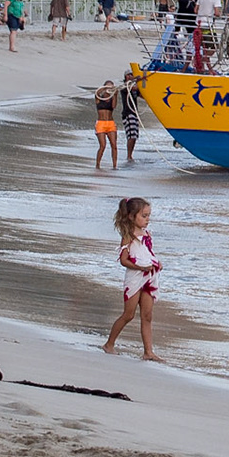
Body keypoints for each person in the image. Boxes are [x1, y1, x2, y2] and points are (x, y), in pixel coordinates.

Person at [103, 197, 162, 360]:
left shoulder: (147, 234)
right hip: (134, 279)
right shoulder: (128, 236)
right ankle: (109, 344)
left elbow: (147, 253)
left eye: (148, 216)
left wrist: (156, 262)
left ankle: (148, 352)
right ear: (131, 216)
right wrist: (140, 268)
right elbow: (124, 260)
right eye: (144, 216)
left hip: (149, 278)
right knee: (128, 314)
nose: (147, 219)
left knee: (147, 315)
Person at [93, 79, 120, 169]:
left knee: (114, 145)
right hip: (101, 123)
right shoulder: (99, 98)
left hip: (110, 123)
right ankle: (97, 164)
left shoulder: (111, 99)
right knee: (103, 145)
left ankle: (114, 165)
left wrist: (115, 94)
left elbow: (114, 106)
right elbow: (97, 93)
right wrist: (105, 88)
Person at [119, 71, 143, 162]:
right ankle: (129, 155)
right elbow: (133, 88)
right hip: (128, 113)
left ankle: (130, 155)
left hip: (134, 113)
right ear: (125, 77)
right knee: (131, 136)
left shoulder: (134, 87)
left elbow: (142, 95)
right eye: (128, 75)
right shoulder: (124, 86)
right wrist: (138, 79)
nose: (130, 76)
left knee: (134, 136)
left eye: (131, 74)